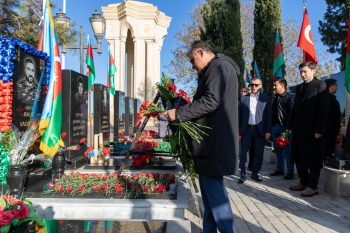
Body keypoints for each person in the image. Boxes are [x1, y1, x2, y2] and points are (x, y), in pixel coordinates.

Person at [164, 40, 239, 233]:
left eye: (192, 60)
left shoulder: (219, 67)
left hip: (214, 144)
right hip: (209, 144)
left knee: (216, 198)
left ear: (201, 52)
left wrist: (179, 113)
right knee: (210, 201)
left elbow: (211, 100)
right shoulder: (213, 69)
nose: (192, 65)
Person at [287, 61, 329, 197]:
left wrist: (319, 129)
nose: (302, 74)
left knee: (313, 158)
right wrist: (290, 125)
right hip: (299, 129)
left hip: (313, 130)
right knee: (299, 156)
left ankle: (312, 186)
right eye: (301, 72)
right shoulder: (299, 88)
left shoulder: (320, 85)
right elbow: (296, 108)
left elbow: (323, 109)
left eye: (305, 71)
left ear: (313, 71)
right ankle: (303, 181)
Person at [238, 78, 272, 184]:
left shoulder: (265, 99)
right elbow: (239, 115)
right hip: (247, 129)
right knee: (244, 153)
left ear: (260, 86)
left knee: (258, 153)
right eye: (252, 85)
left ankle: (255, 173)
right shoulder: (243, 99)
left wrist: (268, 131)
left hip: (259, 130)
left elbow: (268, 116)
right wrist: (238, 129)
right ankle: (243, 175)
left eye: (256, 85)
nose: (253, 87)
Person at [270, 78, 295, 180]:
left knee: (287, 151)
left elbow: (291, 114)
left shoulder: (289, 98)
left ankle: (290, 172)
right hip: (274, 127)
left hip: (285, 128)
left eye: (275, 85)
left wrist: (289, 127)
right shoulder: (274, 97)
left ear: (282, 86)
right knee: (277, 150)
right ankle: (279, 169)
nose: (274, 87)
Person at [324, 79, 341, 158]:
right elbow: (332, 114)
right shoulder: (327, 99)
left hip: (331, 128)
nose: (337, 87)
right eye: (336, 85)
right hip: (329, 129)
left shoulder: (331, 98)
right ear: (331, 87)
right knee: (328, 147)